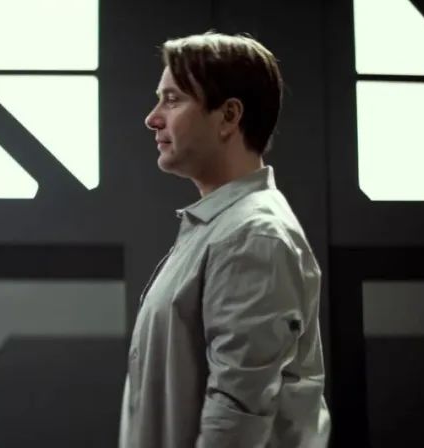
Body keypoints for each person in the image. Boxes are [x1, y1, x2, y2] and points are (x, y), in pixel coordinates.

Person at [119, 32, 330, 447]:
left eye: (172, 99)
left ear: (229, 116)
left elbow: (237, 415)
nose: (153, 118)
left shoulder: (252, 236)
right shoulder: (222, 227)